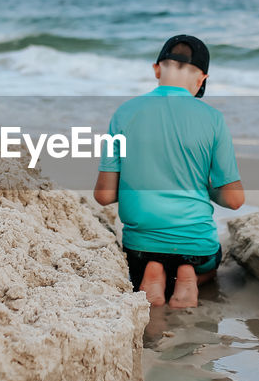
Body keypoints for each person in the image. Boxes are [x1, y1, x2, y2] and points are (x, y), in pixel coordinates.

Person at [94, 35, 244, 308]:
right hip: (197, 246)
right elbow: (234, 200)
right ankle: (188, 275)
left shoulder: (124, 113)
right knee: (209, 263)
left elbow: (103, 195)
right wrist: (204, 188)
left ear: (156, 70)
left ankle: (154, 270)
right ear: (201, 80)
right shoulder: (213, 119)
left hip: (139, 247)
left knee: (148, 255)